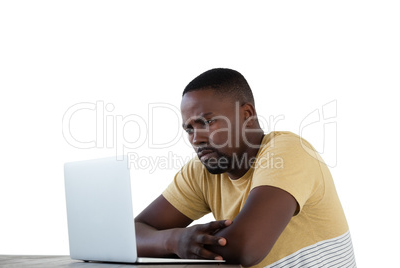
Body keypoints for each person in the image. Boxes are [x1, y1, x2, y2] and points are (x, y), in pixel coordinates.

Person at [134, 68, 356, 267]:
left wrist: (174, 243)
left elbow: (245, 248)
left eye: (208, 122)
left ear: (247, 115)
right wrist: (174, 241)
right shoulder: (201, 171)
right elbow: (133, 233)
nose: (196, 138)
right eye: (189, 129)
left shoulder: (288, 151)